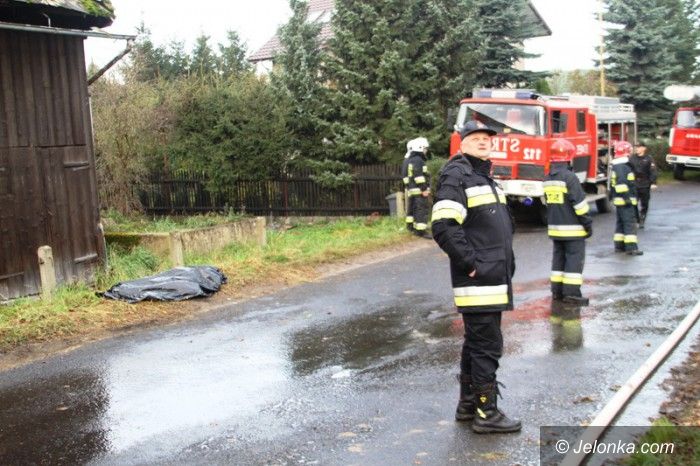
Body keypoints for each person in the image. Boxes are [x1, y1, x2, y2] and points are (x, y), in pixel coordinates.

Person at [431, 120, 520, 434]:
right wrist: (471, 264)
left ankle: (469, 405)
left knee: (476, 344)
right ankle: (487, 412)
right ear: (462, 143)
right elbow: (443, 225)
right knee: (487, 347)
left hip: (493, 277)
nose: (483, 142)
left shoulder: (484, 176)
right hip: (480, 279)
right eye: (476, 138)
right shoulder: (458, 175)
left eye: (487, 138)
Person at [543, 140, 593, 306]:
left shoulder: (547, 178)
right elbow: (579, 204)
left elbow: (547, 202)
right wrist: (587, 224)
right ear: (569, 157)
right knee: (573, 260)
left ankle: (557, 291)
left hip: (555, 229)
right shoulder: (570, 177)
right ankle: (571, 294)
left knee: (558, 260)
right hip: (573, 229)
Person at [611, 141, 643, 255]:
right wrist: (627, 198)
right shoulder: (623, 167)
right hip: (625, 201)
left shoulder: (618, 166)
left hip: (620, 201)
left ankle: (619, 246)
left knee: (621, 224)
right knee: (629, 224)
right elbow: (621, 184)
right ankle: (631, 248)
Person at [401, 137, 431, 237]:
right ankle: (421, 231)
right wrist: (424, 188)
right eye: (425, 148)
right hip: (419, 190)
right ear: (420, 148)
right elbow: (419, 176)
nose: (426, 150)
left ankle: (412, 227)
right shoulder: (418, 160)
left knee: (413, 209)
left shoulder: (412, 159)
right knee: (421, 209)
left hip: (413, 189)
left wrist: (408, 186)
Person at [628, 144, 657, 228]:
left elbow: (653, 171)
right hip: (634, 184)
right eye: (636, 147)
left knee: (645, 203)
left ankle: (642, 218)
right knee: (633, 203)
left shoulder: (648, 158)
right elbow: (628, 169)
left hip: (645, 184)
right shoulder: (632, 158)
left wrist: (653, 182)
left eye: (639, 147)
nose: (637, 149)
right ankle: (637, 218)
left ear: (644, 148)